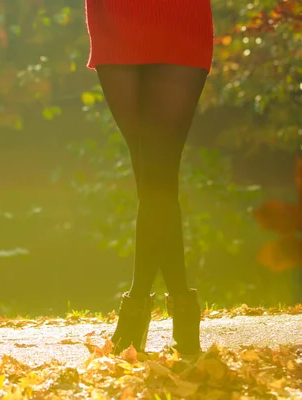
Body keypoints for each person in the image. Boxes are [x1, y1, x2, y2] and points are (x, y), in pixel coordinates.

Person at [85, 0, 214, 355]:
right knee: (152, 175)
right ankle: (183, 311)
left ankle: (137, 306)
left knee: (156, 173)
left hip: (179, 16)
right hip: (115, 15)